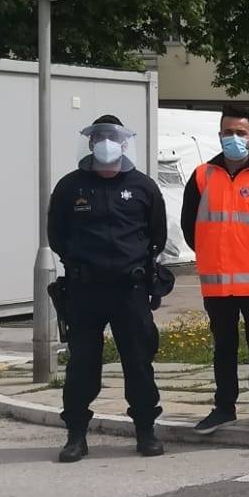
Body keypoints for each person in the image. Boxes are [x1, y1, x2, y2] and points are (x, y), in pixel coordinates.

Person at [47, 114, 166, 462]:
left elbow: (157, 235)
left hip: (130, 291)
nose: (106, 143)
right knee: (82, 364)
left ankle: (146, 431)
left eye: (112, 137)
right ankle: (76, 436)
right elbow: (57, 236)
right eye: (99, 136)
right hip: (86, 291)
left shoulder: (142, 186)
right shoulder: (71, 187)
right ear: (90, 142)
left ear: (124, 143)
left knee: (139, 362)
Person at [179, 108, 249, 433]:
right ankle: (224, 407)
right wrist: (210, 254)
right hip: (216, 282)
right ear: (219, 136)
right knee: (223, 347)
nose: (234, 138)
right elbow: (190, 226)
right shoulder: (202, 176)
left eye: (240, 133)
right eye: (228, 132)